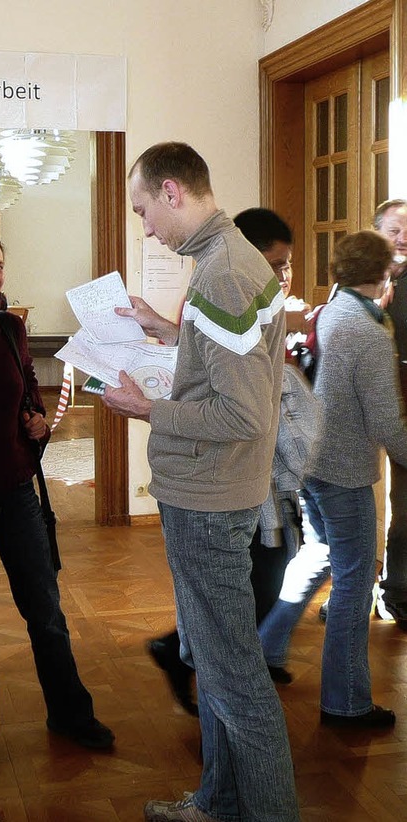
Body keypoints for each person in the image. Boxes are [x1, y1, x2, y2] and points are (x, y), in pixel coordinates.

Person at [103, 143, 299, 822]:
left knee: (235, 676)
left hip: (212, 495)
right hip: (223, 490)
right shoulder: (236, 257)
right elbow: (237, 363)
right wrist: (166, 329)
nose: (147, 228)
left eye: (145, 211)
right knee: (217, 667)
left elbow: (243, 411)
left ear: (171, 190)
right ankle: (218, 802)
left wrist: (147, 408)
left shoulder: (220, 273)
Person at [0, 231, 114, 773]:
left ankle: (68, 711)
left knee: (46, 611)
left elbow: (27, 395)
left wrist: (36, 423)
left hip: (15, 489)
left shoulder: (10, 326)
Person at [147, 207, 309, 708]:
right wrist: (148, 408)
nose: (283, 276)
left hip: (250, 481)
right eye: (277, 264)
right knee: (238, 621)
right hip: (236, 484)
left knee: (240, 606)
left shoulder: (231, 279)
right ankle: (198, 662)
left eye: (286, 266)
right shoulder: (228, 281)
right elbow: (241, 411)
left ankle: (202, 665)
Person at [258, 230, 407, 728]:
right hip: (343, 471)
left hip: (312, 462)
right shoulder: (367, 331)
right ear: (383, 273)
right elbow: (387, 422)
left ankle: (267, 647)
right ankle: (346, 703)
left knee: (319, 554)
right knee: (354, 584)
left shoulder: (333, 309)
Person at [374, 199, 407, 627]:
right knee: (361, 506)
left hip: (405, 404)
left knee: (405, 506)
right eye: (394, 230)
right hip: (360, 410)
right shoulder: (354, 281)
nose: (402, 239)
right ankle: (353, 589)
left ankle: (397, 591)